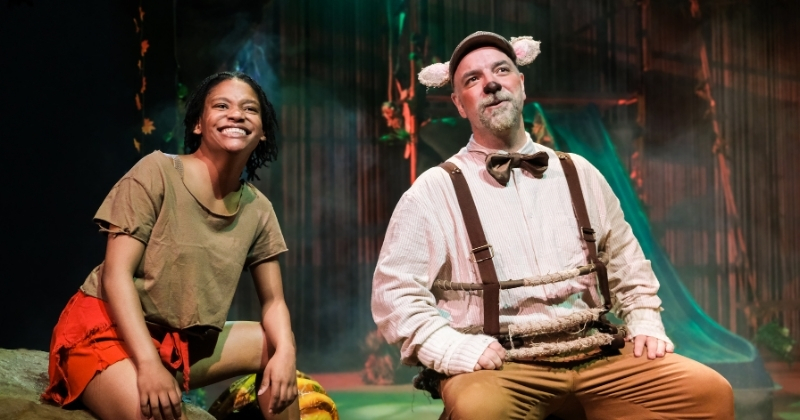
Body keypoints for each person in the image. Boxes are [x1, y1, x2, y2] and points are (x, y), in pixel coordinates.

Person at [371, 32, 734, 419]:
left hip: (596, 354)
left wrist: (644, 318)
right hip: (502, 364)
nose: (491, 82)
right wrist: (451, 346)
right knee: (480, 412)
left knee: (710, 394)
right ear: (460, 104)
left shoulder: (579, 172)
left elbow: (626, 258)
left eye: (501, 70)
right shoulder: (434, 191)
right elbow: (395, 292)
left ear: (521, 84)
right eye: (472, 80)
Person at [43, 71, 299, 420]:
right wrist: (148, 365)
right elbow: (116, 276)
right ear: (197, 124)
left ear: (263, 130)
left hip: (179, 343)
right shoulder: (157, 172)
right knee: (154, 413)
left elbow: (274, 303)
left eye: (249, 109)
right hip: (108, 332)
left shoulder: (258, 208)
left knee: (274, 346)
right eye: (221, 105)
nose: (236, 114)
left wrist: (286, 352)